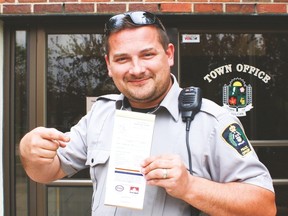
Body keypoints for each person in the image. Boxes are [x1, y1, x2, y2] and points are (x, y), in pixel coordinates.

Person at [19, 11, 276, 216]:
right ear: (109, 65)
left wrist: (189, 186)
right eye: (122, 59)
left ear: (169, 55)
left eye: (147, 55)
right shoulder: (101, 114)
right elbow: (46, 173)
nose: (137, 69)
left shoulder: (212, 122)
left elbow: (264, 207)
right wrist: (30, 153)